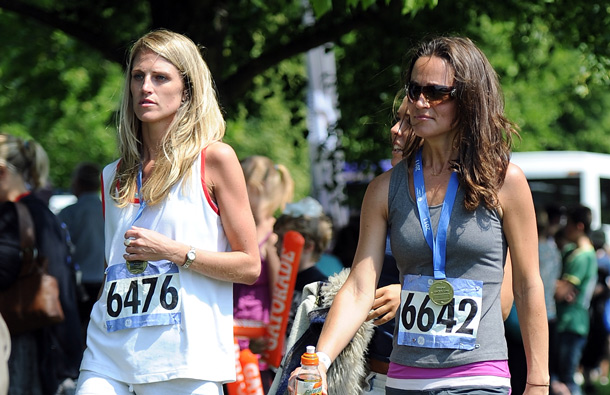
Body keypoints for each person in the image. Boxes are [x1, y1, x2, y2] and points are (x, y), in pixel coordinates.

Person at [289, 36, 548, 395]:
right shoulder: (383, 189)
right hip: (404, 380)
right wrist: (321, 362)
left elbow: (527, 284)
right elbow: (360, 287)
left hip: (478, 377)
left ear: (469, 99)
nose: (420, 102)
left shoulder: (506, 181)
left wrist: (538, 380)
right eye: (414, 90)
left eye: (436, 92)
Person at [75, 29, 260, 395]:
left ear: (187, 89)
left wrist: (175, 252)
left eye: (161, 78)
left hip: (184, 359)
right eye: (138, 76)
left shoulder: (214, 159)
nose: (146, 87)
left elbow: (250, 265)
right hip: (107, 352)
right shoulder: (111, 175)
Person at [0, 134, 83, 394]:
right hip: (53, 342)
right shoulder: (43, 212)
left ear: (2, 172)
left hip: (23, 345)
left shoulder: (11, 215)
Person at [234, 155, 293, 390]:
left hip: (258, 338)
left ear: (253, 189)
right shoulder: (236, 229)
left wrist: (273, 341)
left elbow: (282, 295)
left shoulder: (273, 237)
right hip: (231, 334)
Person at [553, 205, 598, 395]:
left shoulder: (583, 257)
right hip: (568, 322)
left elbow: (562, 292)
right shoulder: (573, 251)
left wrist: (548, 282)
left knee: (568, 378)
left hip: (573, 324)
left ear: (579, 226)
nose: (565, 229)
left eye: (569, 224)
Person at [274, 197, 333, 339]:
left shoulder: (319, 286)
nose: (276, 246)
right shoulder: (286, 281)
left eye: (283, 240)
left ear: (307, 246)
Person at [59, 162, 105, 341]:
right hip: (104, 280)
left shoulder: (69, 213)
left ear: (77, 182)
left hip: (79, 283)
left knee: (77, 335)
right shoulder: (109, 210)